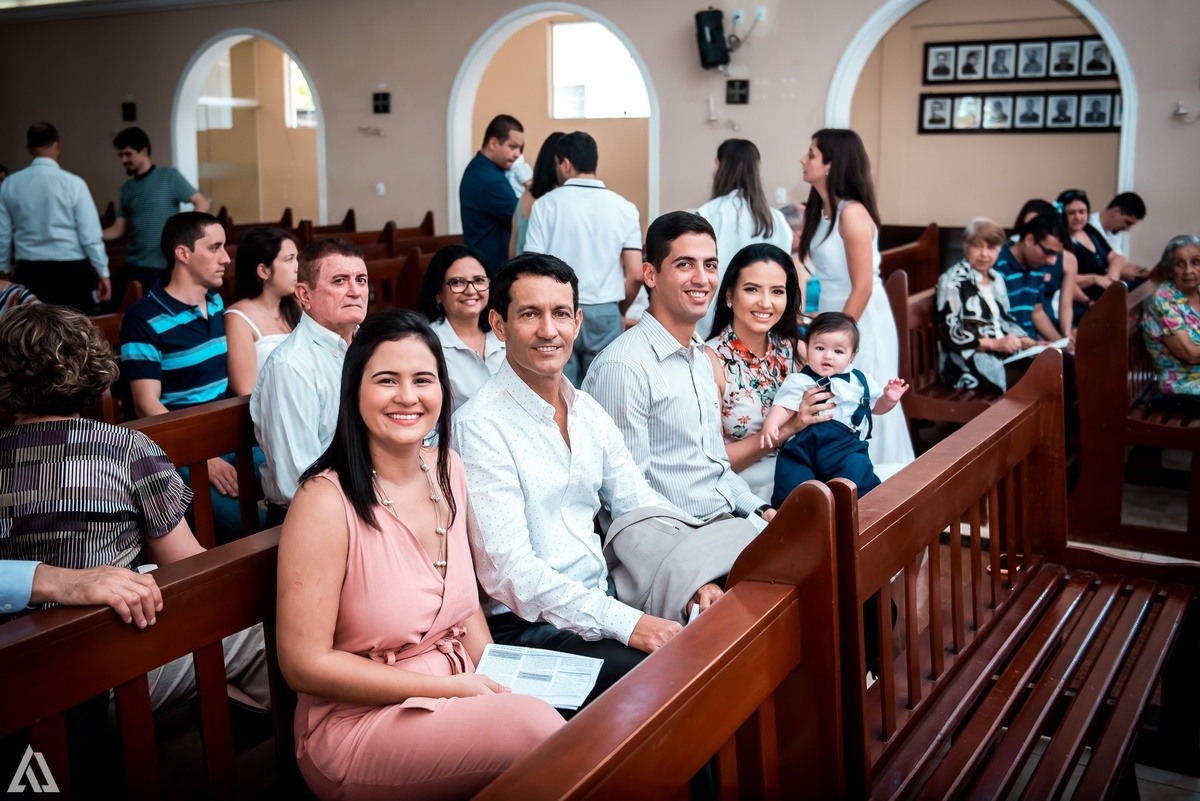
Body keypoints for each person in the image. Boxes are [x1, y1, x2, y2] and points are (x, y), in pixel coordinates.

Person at [276, 309, 564, 800]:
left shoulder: (447, 467)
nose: (408, 396)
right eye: (387, 380)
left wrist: (496, 680)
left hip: (457, 688)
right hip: (361, 721)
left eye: (423, 380)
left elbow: (465, 608)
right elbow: (304, 664)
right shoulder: (324, 501)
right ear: (355, 391)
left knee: (587, 706)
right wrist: (450, 690)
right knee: (536, 731)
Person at [454, 253, 746, 707]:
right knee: (671, 683)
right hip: (528, 629)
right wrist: (628, 623)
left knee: (728, 637)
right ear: (498, 324)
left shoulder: (586, 410)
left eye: (560, 313)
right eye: (529, 314)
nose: (548, 330)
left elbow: (639, 503)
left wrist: (691, 581)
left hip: (602, 602)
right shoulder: (480, 427)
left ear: (577, 322)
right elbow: (510, 573)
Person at [0, 303, 268, 713]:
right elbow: (185, 565)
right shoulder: (125, 448)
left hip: (17, 675)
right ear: (91, 369)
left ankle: (233, 705)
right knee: (264, 626)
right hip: (105, 669)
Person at [584, 211, 779, 524]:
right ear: (650, 275)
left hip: (725, 520)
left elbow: (715, 470)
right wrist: (708, 535)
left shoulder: (700, 357)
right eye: (685, 264)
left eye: (710, 265)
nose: (702, 278)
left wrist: (761, 511)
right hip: (674, 535)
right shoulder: (623, 366)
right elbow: (629, 499)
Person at [120, 212, 261, 543]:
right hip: (180, 447)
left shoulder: (214, 301)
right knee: (252, 526)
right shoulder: (143, 319)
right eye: (214, 248)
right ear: (182, 254)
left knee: (300, 487)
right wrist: (203, 457)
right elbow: (145, 405)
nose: (226, 258)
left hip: (229, 433)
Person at [796, 128, 915, 468]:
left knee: (863, 394)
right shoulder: (822, 212)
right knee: (835, 396)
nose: (803, 160)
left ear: (831, 164)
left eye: (811, 154)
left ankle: (876, 473)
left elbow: (862, 286)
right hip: (835, 311)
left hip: (860, 316)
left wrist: (837, 336)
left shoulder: (852, 213)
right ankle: (839, 471)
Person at [251, 238, 368, 527]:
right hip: (313, 521)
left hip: (370, 501)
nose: (355, 291)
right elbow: (299, 481)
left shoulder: (371, 346)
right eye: (340, 281)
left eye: (361, 280)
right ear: (304, 294)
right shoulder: (290, 366)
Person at [705, 242, 824, 502]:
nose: (766, 302)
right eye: (752, 289)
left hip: (805, 473)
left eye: (777, 291)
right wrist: (789, 428)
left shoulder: (795, 349)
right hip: (746, 489)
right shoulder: (710, 361)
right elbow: (711, 462)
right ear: (729, 295)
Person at [524, 131, 642, 386]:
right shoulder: (625, 208)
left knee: (559, 390)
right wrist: (619, 311)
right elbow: (635, 274)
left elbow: (531, 270)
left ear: (565, 163)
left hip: (557, 309)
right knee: (605, 389)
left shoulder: (544, 205)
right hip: (605, 311)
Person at [762, 312, 907, 507]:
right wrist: (772, 424)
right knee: (792, 475)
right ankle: (797, 511)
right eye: (819, 348)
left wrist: (888, 399)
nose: (828, 356)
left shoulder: (860, 381)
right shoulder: (800, 381)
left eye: (838, 351)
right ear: (807, 347)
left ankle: (861, 509)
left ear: (851, 356)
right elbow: (784, 406)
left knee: (856, 471)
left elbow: (875, 407)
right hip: (804, 446)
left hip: (844, 447)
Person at [0, 122, 110, 311]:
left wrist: (3, 269)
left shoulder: (10, 184)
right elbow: (90, 236)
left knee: (31, 327)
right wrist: (103, 272)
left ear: (29, 148)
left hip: (29, 271)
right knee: (76, 326)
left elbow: (3, 233)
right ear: (58, 144)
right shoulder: (75, 184)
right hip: (71, 271)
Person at [696, 139, 793, 336]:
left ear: (721, 167)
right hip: (765, 314)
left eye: (715, 162)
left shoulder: (708, 213)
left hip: (716, 315)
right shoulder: (777, 219)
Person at [936, 218, 1037, 392]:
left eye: (991, 248)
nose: (984, 254)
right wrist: (995, 344)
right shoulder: (952, 282)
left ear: (999, 250)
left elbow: (1005, 319)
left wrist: (1025, 340)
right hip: (967, 365)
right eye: (977, 246)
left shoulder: (996, 278)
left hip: (1002, 356)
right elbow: (950, 335)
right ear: (966, 246)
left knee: (1056, 364)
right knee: (1037, 380)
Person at [102, 127, 210, 290]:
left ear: (144, 151)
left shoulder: (169, 176)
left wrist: (184, 235)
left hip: (163, 265)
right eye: (120, 155)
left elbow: (202, 203)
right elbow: (117, 229)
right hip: (133, 265)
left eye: (128, 154)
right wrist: (90, 236)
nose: (123, 160)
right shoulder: (127, 188)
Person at [417, 244, 504, 413]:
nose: (471, 290)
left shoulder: (504, 333)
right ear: (437, 294)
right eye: (457, 282)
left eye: (479, 280)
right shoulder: (426, 345)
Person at [224, 227, 301, 396]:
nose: (297, 267)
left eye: (297, 258)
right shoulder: (238, 317)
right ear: (263, 271)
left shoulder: (297, 306)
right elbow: (245, 389)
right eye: (289, 259)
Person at [459, 114, 524, 274]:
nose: (517, 154)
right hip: (493, 269)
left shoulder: (480, 167)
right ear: (493, 143)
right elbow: (524, 218)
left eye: (520, 148)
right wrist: (530, 185)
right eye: (513, 147)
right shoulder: (490, 179)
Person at [992, 210, 1067, 342]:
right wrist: (1030, 344)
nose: (1052, 261)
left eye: (1056, 255)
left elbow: (1037, 313)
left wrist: (1062, 344)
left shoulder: (1038, 266)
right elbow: (996, 320)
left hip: (1030, 343)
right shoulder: (998, 265)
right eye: (1048, 252)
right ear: (1029, 240)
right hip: (1007, 343)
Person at [1142, 235, 1200, 396]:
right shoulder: (1164, 300)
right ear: (1170, 270)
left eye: (1195, 262)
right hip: (1184, 383)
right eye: (1180, 264)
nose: (1188, 271)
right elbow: (1190, 355)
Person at [1057, 190, 1124, 317]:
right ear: (1062, 214)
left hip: (1104, 295)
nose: (1078, 217)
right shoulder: (1060, 240)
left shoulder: (1089, 230)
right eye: (1071, 213)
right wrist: (1094, 279)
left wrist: (1112, 277)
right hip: (1080, 302)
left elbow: (1115, 256)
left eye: (1082, 212)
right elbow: (1062, 278)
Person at [509, 131, 563, 259]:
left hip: (518, 266)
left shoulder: (526, 194)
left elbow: (512, 249)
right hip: (545, 269)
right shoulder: (556, 199)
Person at [1090, 192, 1149, 279]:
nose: (1128, 229)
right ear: (1115, 211)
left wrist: (1136, 271)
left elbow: (1119, 259)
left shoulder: (1114, 231)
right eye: (1127, 222)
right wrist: (1122, 272)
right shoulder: (1088, 228)